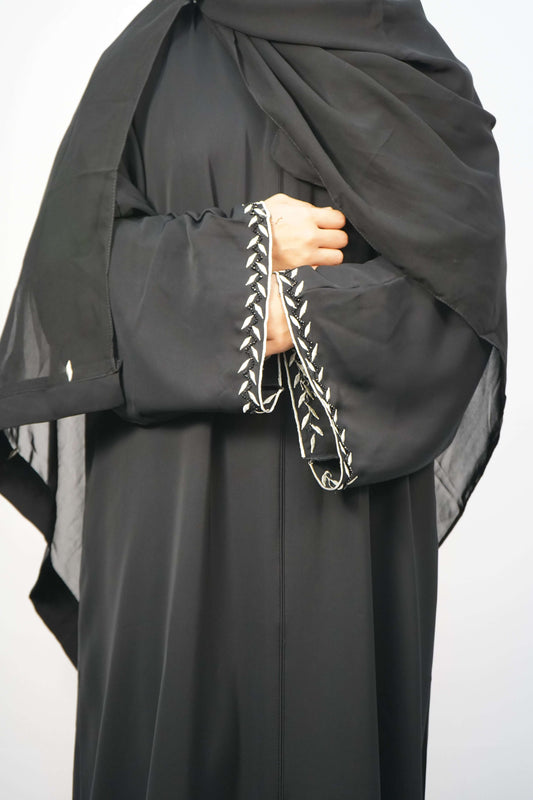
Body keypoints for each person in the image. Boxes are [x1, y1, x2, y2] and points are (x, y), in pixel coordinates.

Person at [0, 1, 507, 798]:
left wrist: (305, 318)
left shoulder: (406, 61)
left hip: (342, 534)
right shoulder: (146, 62)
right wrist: (241, 266)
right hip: (167, 521)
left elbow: (461, 293)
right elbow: (68, 287)